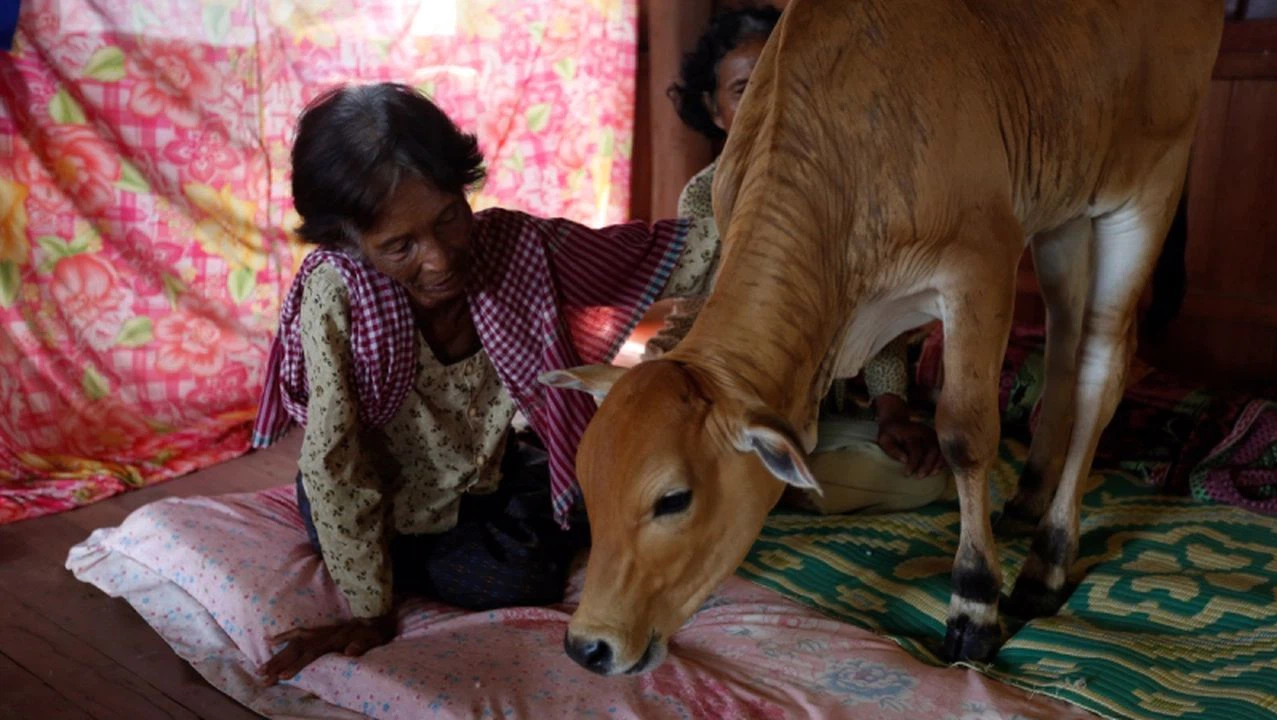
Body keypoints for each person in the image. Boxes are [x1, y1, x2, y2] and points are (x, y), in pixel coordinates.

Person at [251, 83, 714, 683]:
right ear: (345, 241)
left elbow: (664, 255)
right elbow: (336, 463)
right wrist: (369, 610)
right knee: (502, 573)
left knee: (560, 531)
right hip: (375, 493)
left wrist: (782, 227)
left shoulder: (514, 247)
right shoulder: (337, 296)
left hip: (481, 478)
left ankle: (427, 550)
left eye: (449, 218)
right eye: (399, 246)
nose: (439, 259)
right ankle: (383, 559)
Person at [651, 6, 950, 509]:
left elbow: (874, 312)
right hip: (740, 403)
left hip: (828, 414)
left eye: (783, 80)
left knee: (925, 477)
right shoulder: (704, 199)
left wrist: (892, 415)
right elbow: (692, 313)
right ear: (714, 108)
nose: (769, 103)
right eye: (745, 90)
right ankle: (765, 480)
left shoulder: (846, 193)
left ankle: (762, 487)